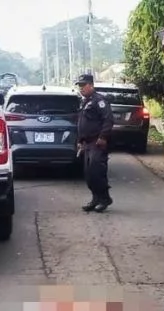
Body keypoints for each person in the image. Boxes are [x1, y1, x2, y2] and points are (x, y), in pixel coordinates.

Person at [75, 74, 114, 212]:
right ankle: (95, 199)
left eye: (83, 85)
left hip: (97, 143)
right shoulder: (85, 101)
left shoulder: (99, 101)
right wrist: (80, 140)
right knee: (89, 174)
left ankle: (105, 198)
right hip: (87, 144)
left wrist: (103, 137)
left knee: (97, 171)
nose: (81, 88)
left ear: (91, 85)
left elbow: (108, 120)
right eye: (79, 85)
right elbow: (82, 123)